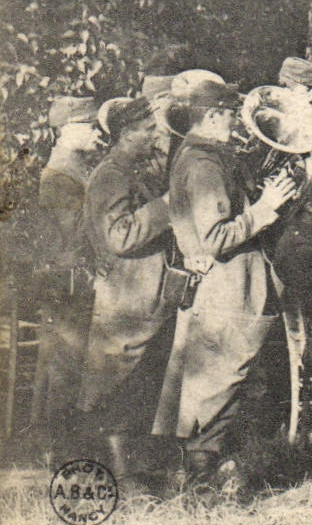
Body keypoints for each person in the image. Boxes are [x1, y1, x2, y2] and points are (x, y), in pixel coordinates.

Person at [155, 79, 297, 488]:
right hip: (227, 287)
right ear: (214, 115)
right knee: (219, 381)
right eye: (233, 114)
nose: (238, 123)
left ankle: (205, 474)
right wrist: (265, 209)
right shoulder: (203, 165)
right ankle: (202, 482)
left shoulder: (207, 157)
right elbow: (215, 239)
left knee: (221, 380)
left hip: (229, 285)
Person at [79, 98, 175, 483]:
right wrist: (166, 206)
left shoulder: (131, 169)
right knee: (118, 384)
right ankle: (122, 476)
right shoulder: (111, 175)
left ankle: (135, 471)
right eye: (147, 129)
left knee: (136, 383)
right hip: (126, 296)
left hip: (142, 295)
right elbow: (119, 237)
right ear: (124, 134)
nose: (155, 134)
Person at [29, 95, 102, 460]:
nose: (95, 131)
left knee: (67, 360)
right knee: (65, 361)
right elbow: (72, 231)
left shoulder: (77, 164)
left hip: (75, 274)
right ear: (67, 129)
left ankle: (58, 442)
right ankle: (58, 446)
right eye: (88, 125)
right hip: (69, 277)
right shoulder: (59, 172)